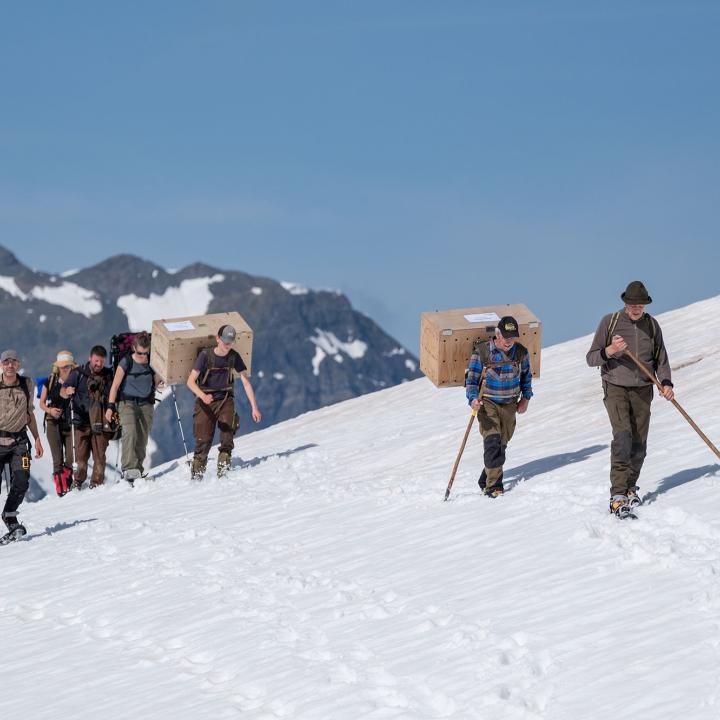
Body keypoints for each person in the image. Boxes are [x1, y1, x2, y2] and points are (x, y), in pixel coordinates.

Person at [586, 281, 674, 517]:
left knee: (639, 444)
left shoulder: (652, 326)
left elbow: (661, 359)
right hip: (615, 386)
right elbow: (592, 358)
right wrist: (611, 351)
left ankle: (629, 487)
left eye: (641, 305)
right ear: (625, 303)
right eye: (632, 304)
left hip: (644, 388)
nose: (636, 308)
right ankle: (617, 495)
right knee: (622, 436)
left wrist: (666, 383)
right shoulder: (610, 322)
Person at [465, 316, 533, 498]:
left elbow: (526, 376)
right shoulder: (482, 352)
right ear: (497, 334)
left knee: (502, 443)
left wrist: (526, 398)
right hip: (488, 402)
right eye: (506, 336)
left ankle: (485, 478)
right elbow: (471, 380)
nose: (509, 341)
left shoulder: (521, 352)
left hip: (510, 403)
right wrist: (473, 399)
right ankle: (494, 487)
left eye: (512, 336)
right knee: (492, 440)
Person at [187, 324, 262, 480]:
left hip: (225, 399)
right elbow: (190, 382)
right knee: (203, 439)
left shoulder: (234, 357)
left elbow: (246, 383)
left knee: (227, 432)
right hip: (205, 400)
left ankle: (224, 469)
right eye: (225, 341)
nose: (227, 345)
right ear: (217, 338)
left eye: (230, 342)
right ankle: (197, 475)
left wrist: (254, 408)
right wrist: (203, 396)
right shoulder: (205, 356)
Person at [106, 332, 163, 484]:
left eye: (146, 353)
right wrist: (110, 407)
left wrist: (160, 382)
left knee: (142, 436)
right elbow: (115, 386)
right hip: (127, 403)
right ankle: (128, 469)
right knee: (130, 432)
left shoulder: (151, 361)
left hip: (146, 403)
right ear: (133, 348)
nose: (143, 356)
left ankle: (137, 469)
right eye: (140, 353)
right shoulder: (126, 362)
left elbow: (156, 380)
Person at [0, 349, 44, 543]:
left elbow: (30, 414)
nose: (10, 365)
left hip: (20, 442)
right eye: (6, 361)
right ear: (1, 365)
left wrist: (37, 438)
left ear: (18, 364)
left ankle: (10, 515)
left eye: (13, 361)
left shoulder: (27, 385)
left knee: (21, 481)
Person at [60, 345, 113, 489]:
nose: (99, 364)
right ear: (90, 358)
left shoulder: (108, 375)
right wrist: (67, 390)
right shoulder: (78, 373)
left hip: (100, 421)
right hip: (81, 421)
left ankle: (96, 483)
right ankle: (78, 482)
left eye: (102, 361)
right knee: (80, 456)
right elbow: (62, 391)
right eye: (96, 361)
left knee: (99, 455)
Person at [39, 350, 78, 496]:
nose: (65, 369)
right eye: (63, 366)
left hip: (69, 422)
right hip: (52, 422)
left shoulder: (76, 380)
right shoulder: (49, 381)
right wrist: (50, 411)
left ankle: (66, 481)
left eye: (67, 366)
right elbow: (42, 403)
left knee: (70, 456)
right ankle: (60, 488)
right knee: (57, 458)